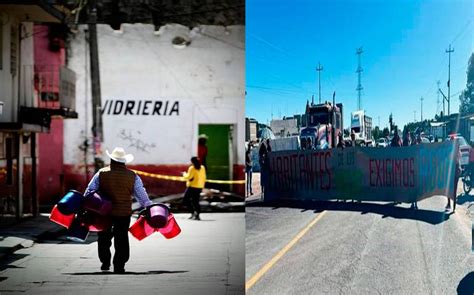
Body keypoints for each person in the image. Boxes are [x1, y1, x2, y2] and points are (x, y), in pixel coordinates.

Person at [84, 147, 153, 274]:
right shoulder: (133, 176)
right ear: (124, 162)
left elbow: (89, 191)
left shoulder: (101, 173)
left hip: (104, 213)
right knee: (121, 238)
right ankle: (119, 265)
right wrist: (149, 206)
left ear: (111, 160)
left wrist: (86, 206)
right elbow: (141, 194)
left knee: (104, 237)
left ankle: (105, 262)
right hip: (123, 213)